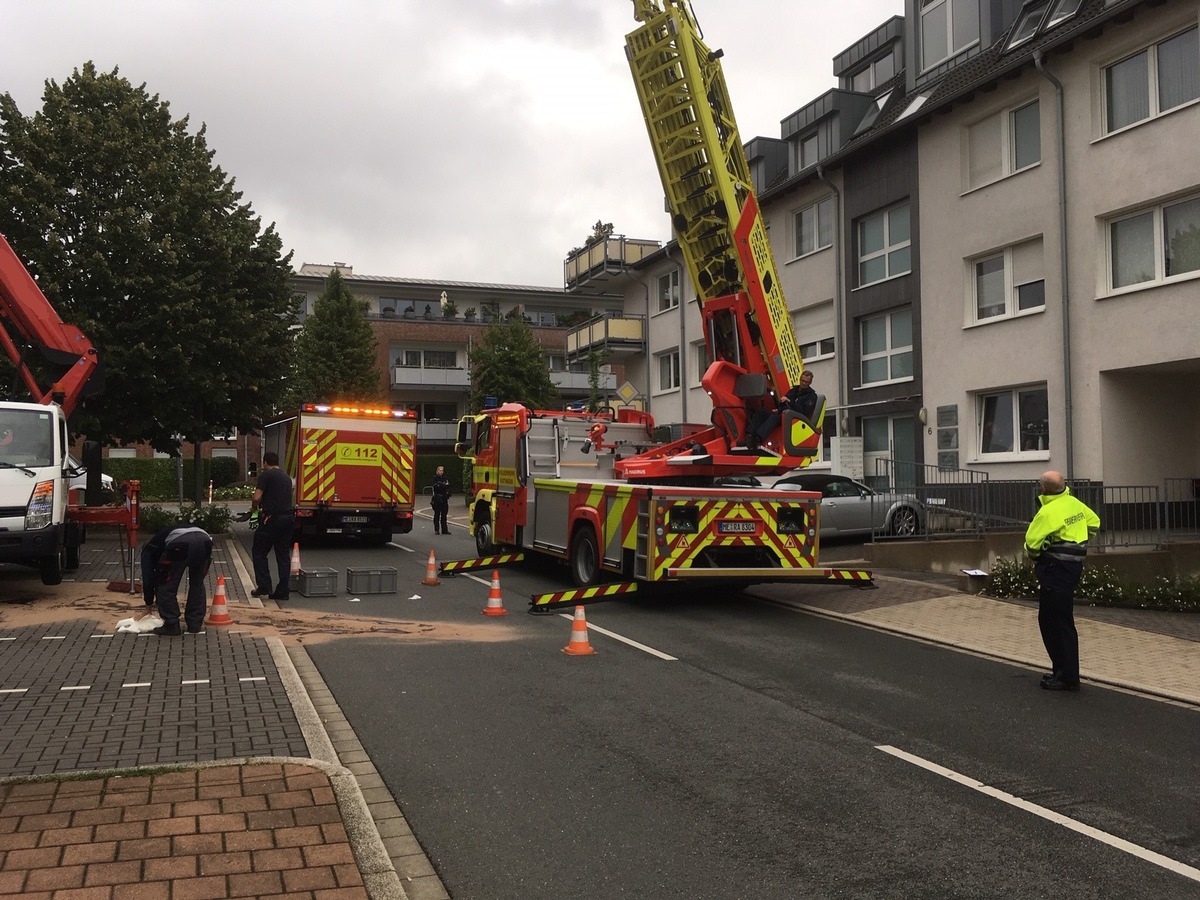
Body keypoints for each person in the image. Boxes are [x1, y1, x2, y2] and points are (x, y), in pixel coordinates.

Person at [1024, 470, 1100, 692]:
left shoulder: (1047, 512)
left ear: (1044, 489)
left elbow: (1031, 543)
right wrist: (1079, 542)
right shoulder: (1074, 503)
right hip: (1072, 569)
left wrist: (1040, 554)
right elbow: (1094, 522)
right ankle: (1062, 670)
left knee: (1054, 622)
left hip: (1054, 570)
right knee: (1059, 620)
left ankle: (1067, 677)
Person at [140, 526, 213, 636]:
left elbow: (148, 579)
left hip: (180, 545)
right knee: (197, 583)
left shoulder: (148, 552)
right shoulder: (163, 536)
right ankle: (195, 623)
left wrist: (148, 604)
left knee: (165, 585)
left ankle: (171, 624)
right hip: (205, 541)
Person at [249, 451, 295, 601]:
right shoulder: (286, 478)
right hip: (288, 517)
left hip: (272, 518)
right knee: (283, 555)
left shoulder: (266, 475)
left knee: (259, 551)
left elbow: (257, 497)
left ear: (265, 463)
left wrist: (254, 508)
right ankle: (283, 591)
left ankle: (264, 586)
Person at [745, 370, 818, 449]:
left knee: (774, 418)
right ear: (800, 379)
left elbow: (804, 411)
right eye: (802, 381)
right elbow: (783, 402)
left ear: (810, 382)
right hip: (783, 414)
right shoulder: (793, 391)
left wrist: (789, 402)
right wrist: (779, 409)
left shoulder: (812, 396)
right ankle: (749, 436)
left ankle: (757, 439)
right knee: (760, 413)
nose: (803, 383)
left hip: (795, 420)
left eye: (806, 382)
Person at [431, 465, 452, 534]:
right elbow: (436, 487)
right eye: (439, 470)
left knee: (444, 515)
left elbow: (448, 486)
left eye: (442, 471)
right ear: (437, 471)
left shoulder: (445, 478)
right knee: (437, 515)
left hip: (444, 498)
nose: (441, 472)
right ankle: (436, 530)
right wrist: (443, 485)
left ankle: (444, 530)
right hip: (437, 499)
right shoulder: (435, 478)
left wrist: (442, 486)